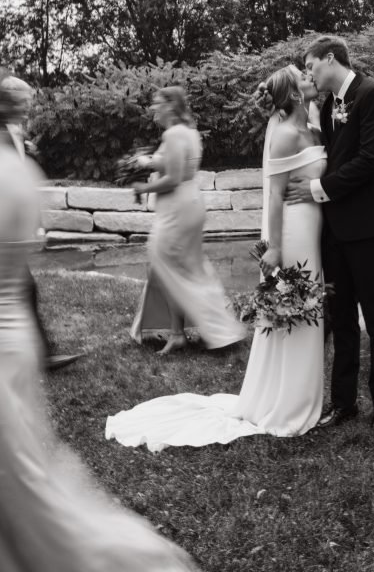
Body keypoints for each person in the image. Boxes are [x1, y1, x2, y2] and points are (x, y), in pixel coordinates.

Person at [0, 87, 196, 572]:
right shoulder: (22, 170)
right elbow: (31, 244)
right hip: (16, 331)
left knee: (19, 479)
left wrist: (146, 178)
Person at [106, 66, 326, 449]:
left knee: (306, 310)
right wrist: (274, 246)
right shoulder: (285, 134)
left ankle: (297, 391)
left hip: (311, 230)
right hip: (291, 231)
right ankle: (283, 398)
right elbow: (274, 195)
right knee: (290, 309)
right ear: (292, 94)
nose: (311, 76)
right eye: (303, 75)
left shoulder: (314, 124)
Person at [285, 36, 374, 435]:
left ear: (330, 59)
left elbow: (370, 160)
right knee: (343, 317)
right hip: (336, 229)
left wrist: (317, 191)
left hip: (370, 227)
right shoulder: (330, 104)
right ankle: (344, 402)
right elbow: (327, 153)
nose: (309, 72)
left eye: (311, 65)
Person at [129, 85, 244, 354]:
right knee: (184, 268)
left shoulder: (174, 134)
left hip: (177, 208)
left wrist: (142, 188)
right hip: (188, 204)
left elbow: (174, 177)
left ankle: (211, 329)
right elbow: (173, 165)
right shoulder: (188, 133)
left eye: (157, 104)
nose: (153, 109)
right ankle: (180, 332)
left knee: (168, 263)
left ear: (171, 105)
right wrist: (146, 162)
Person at [0, 72, 83, 371]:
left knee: (24, 289)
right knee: (23, 288)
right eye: (22, 102)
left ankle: (40, 354)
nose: (27, 108)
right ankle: (42, 356)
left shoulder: (14, 133)